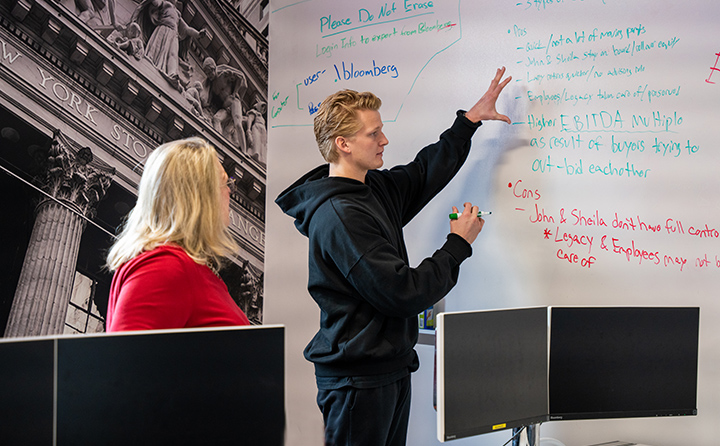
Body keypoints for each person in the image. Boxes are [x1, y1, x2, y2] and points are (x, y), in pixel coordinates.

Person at [275, 67, 512, 446]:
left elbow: (423, 173)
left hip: (388, 371)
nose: (384, 140)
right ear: (343, 144)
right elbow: (403, 292)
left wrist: (468, 122)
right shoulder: (340, 216)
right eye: (373, 134)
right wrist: (458, 245)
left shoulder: (373, 189)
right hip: (358, 383)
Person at [105, 137, 250, 331]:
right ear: (199, 194)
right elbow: (124, 359)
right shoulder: (167, 266)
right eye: (225, 183)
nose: (230, 192)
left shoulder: (186, 267)